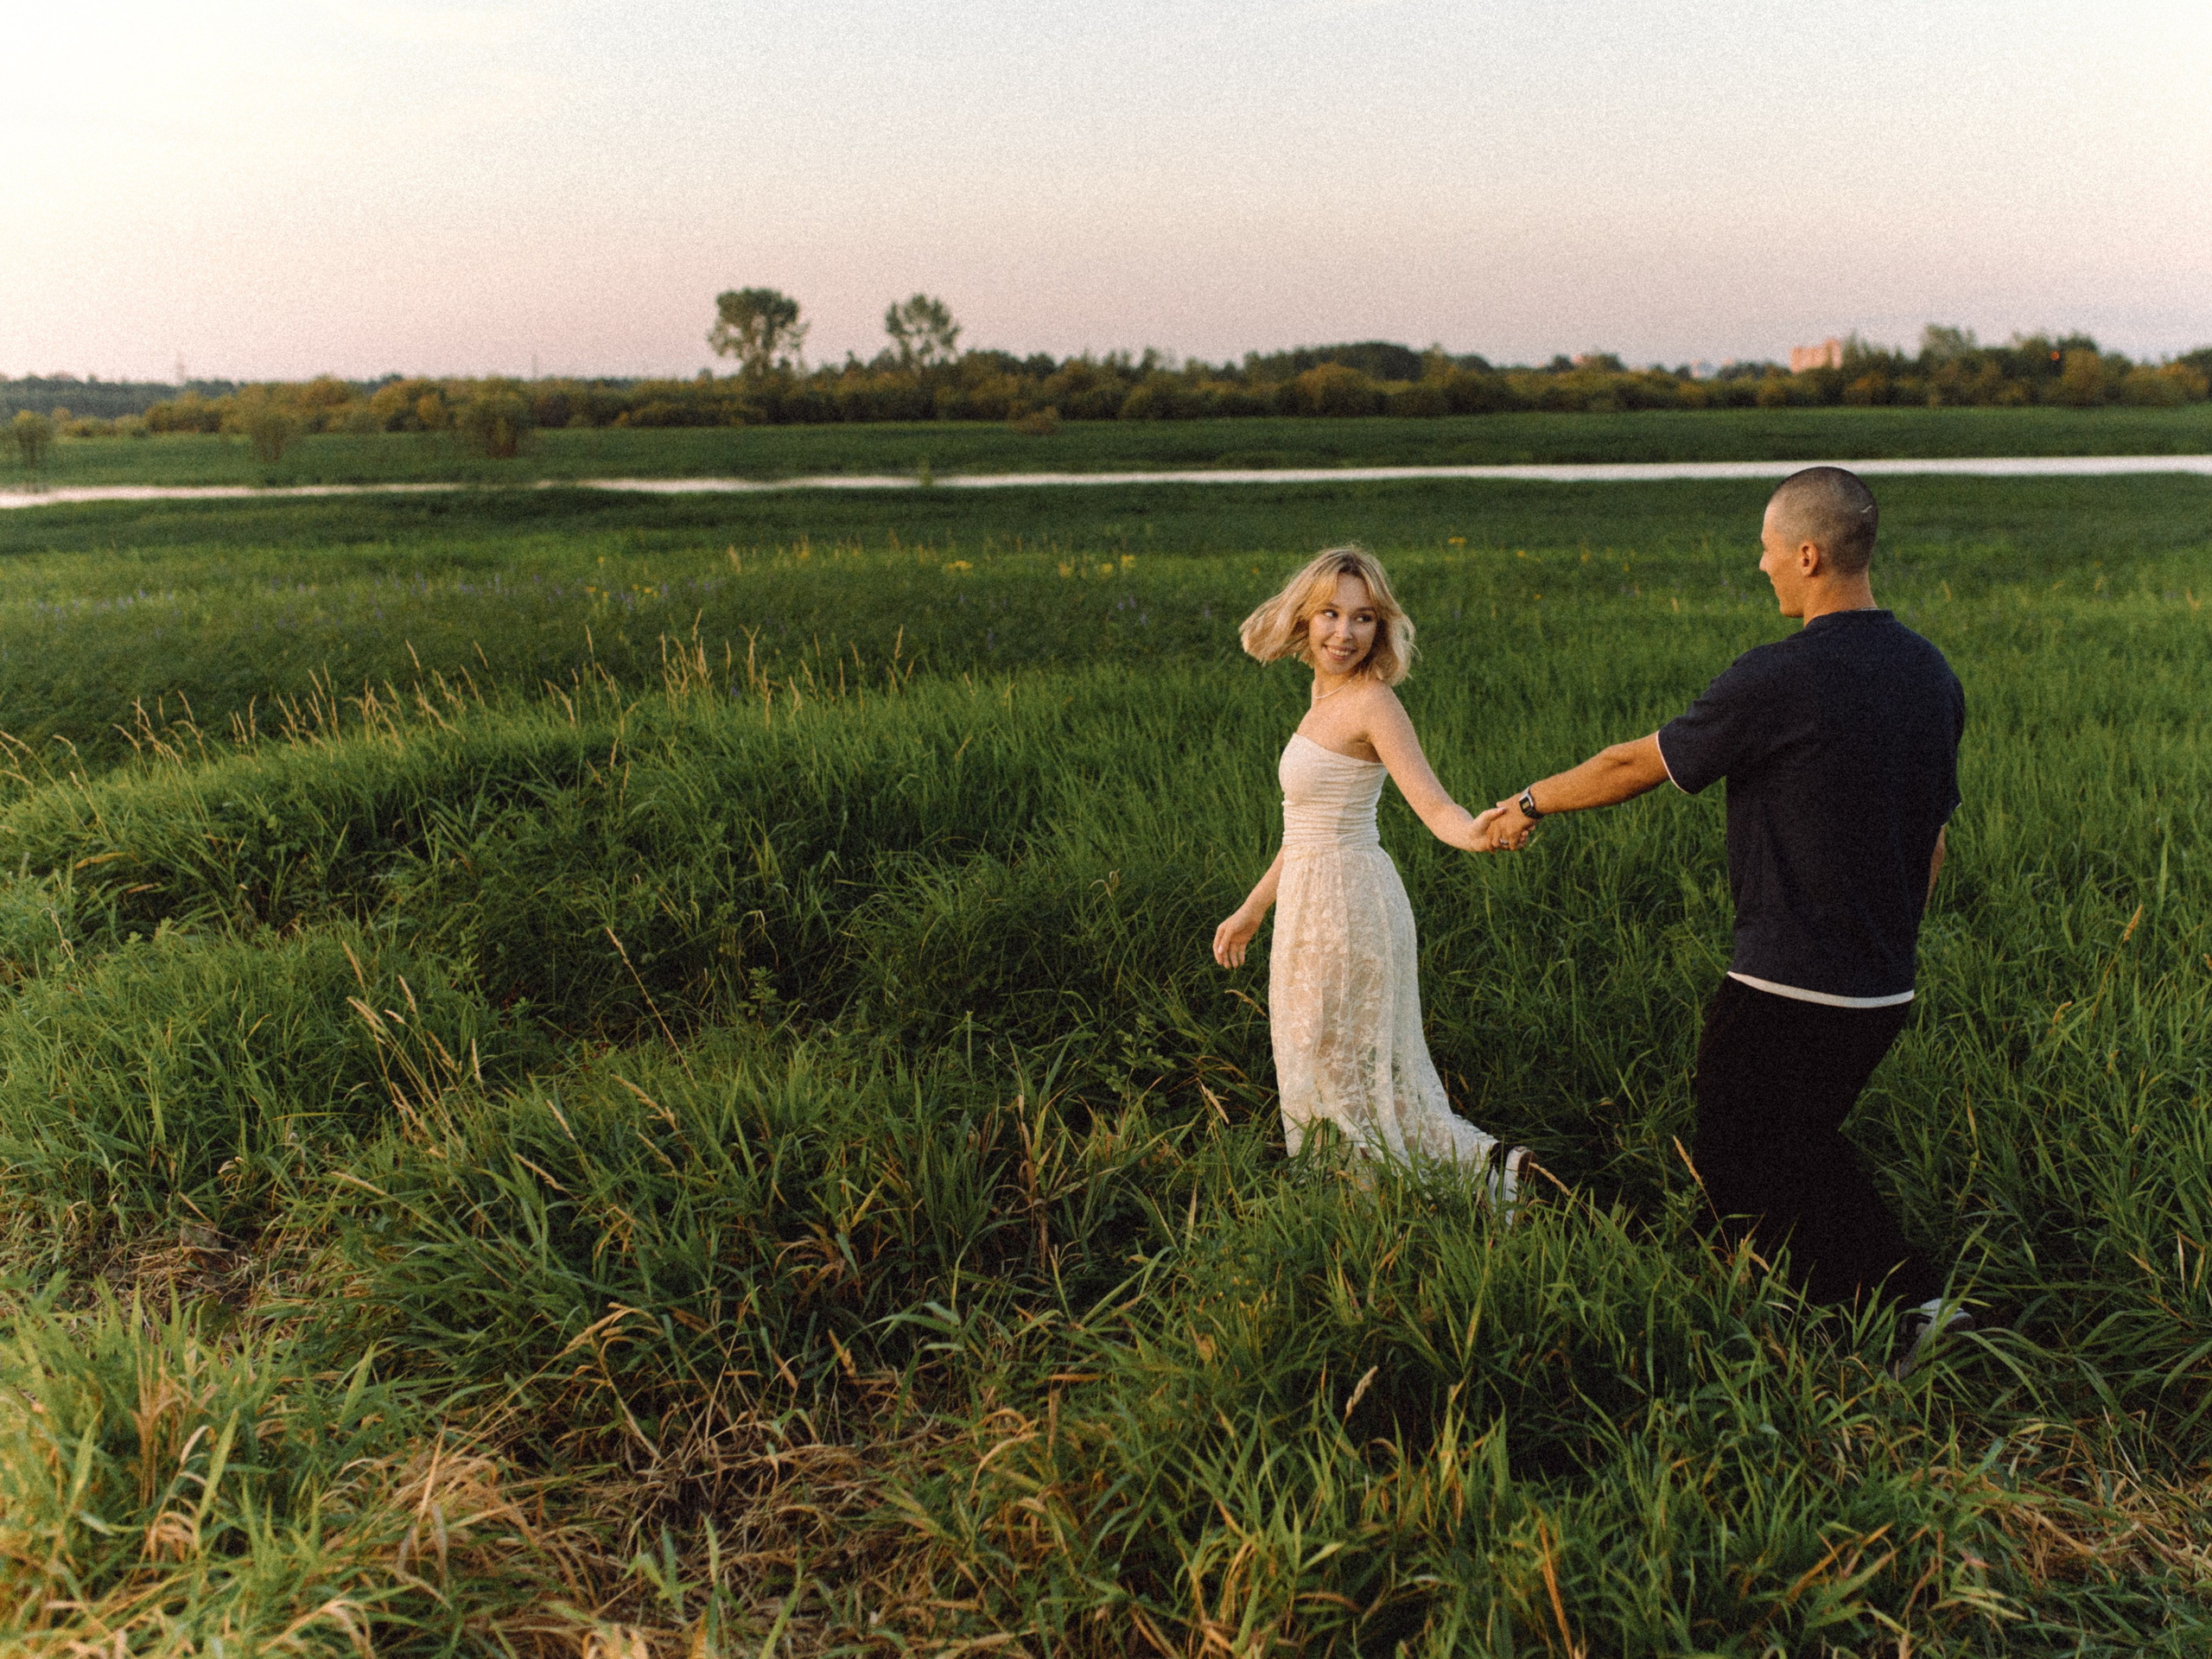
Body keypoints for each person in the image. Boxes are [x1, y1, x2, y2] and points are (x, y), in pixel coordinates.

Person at [1480, 467, 1968, 1368]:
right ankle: (1852, 1313)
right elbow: (1932, 842)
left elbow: (1636, 764)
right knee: (1791, 1145)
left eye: (1770, 549)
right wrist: (1887, 941)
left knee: (1744, 1158)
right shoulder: (1929, 675)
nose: (1761, 564)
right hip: (1881, 986)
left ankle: (1901, 1310)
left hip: (1785, 981)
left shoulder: (1780, 678)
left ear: (1810, 555)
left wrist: (1528, 802)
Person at [1212, 546, 1532, 1208]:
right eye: (1331, 614)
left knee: (1348, 1068)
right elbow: (1303, 830)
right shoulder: (1320, 695)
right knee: (1325, 1064)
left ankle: (1478, 1178)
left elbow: (1434, 806)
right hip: (1307, 899)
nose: (1344, 633)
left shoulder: (1373, 704)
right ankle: (1363, 1197)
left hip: (1350, 903)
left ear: (1380, 626)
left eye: (1362, 618)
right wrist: (1251, 910)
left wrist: (1476, 831)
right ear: (1307, 616)